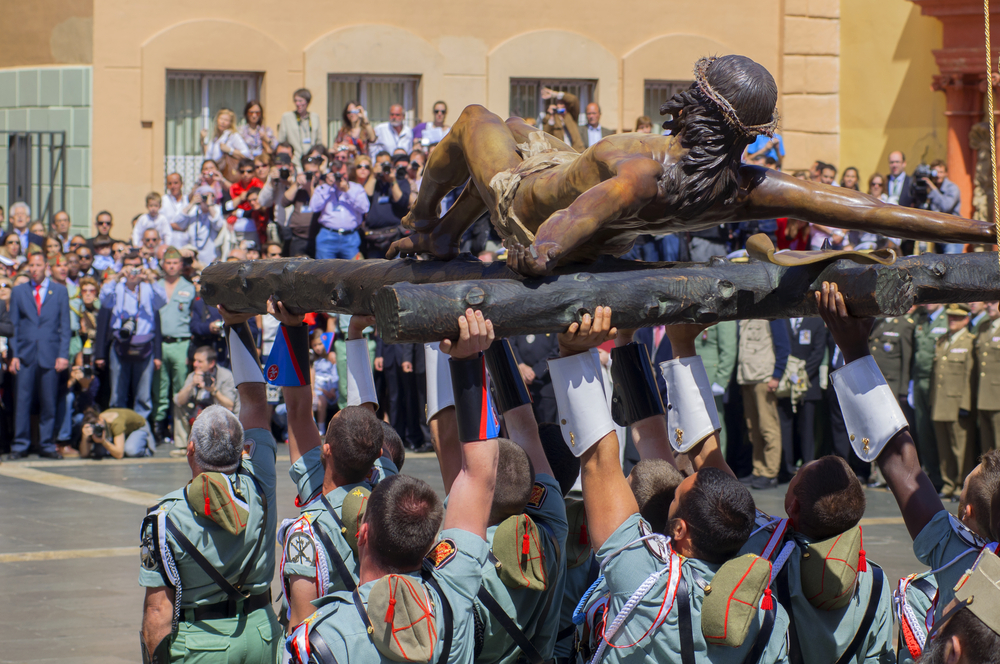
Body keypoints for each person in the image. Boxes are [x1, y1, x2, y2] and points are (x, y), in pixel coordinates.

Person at [388, 56, 995, 276]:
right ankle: (445, 233)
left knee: (475, 118)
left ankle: (423, 222)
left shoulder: (641, 172)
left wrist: (542, 251)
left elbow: (573, 218)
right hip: (581, 220)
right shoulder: (744, 187)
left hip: (525, 207)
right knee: (520, 128)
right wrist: (983, 230)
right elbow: (871, 209)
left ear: (695, 105)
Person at [548, 306, 789, 664]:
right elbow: (685, 448)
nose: (676, 472)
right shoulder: (769, 607)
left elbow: (600, 461)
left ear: (678, 529)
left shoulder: (645, 582)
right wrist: (673, 344)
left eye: (677, 492)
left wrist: (572, 352)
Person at [664, 322, 895, 664]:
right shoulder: (874, 580)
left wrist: (682, 345)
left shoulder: (761, 547)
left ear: (792, 506)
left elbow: (705, 455)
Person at [285, 308, 499, 664]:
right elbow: (481, 474)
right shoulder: (454, 595)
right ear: (430, 543)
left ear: (363, 532)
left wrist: (340, 333)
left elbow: (299, 412)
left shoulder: (325, 636)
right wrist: (469, 359)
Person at [814, 282, 1000, 654]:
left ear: (966, 514)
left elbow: (901, 464)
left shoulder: (960, 557)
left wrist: (854, 350)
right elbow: (903, 463)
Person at [139, 306, 279, 663]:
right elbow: (256, 399)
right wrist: (237, 323)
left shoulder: (166, 517)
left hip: (203, 642)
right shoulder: (260, 481)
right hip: (263, 633)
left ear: (191, 451)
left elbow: (157, 611)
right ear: (243, 449)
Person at [427, 335, 567, 664]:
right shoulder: (552, 530)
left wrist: (452, 347)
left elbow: (445, 437)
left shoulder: (464, 556)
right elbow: (525, 428)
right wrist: (493, 338)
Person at [280, 314, 395, 627]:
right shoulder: (387, 484)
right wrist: (355, 332)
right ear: (379, 453)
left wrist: (292, 327)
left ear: (326, 450)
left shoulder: (315, 491)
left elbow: (298, 410)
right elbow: (367, 413)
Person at [6, 252, 71, 459]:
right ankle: (20, 444)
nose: (34, 269)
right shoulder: (19, 291)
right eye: (31, 265)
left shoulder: (59, 291)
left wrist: (63, 354)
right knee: (22, 402)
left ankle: (46, 444)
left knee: (48, 402)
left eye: (38, 265)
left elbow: (65, 326)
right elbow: (14, 325)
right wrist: (14, 354)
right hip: (25, 354)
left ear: (46, 267)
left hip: (50, 354)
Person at [97, 251, 166, 420]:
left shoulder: (148, 288)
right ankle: (118, 428)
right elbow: (104, 300)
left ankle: (140, 429)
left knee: (143, 395)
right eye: (129, 266)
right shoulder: (117, 287)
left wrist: (150, 278)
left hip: (144, 346)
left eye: (136, 266)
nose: (133, 271)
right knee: (117, 393)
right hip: (120, 345)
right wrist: (117, 276)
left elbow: (162, 301)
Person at [736, 318, 789, 489]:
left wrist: (777, 375)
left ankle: (770, 472)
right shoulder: (744, 317)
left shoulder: (771, 315)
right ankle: (758, 469)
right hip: (746, 378)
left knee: (768, 427)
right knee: (753, 429)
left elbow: (783, 346)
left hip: (764, 378)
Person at [931, 303, 977, 501]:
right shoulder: (942, 340)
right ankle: (948, 483)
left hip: (957, 403)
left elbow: (969, 376)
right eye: (950, 316)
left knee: (961, 449)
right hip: (940, 402)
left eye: (957, 317)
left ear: (966, 320)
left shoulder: (970, 341)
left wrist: (965, 404)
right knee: (944, 448)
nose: (952, 320)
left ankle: (961, 485)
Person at [155, 247, 195, 447]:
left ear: (181, 265)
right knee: (159, 388)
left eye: (175, 263)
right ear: (162, 264)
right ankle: (159, 427)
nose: (171, 266)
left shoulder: (189, 287)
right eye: (168, 263)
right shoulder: (155, 286)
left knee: (180, 389)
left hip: (181, 342)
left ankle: (180, 430)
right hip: (160, 343)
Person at [172, 344, 238, 451]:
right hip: (199, 412)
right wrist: (191, 385)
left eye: (200, 361)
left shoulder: (225, 376)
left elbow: (229, 406)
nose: (195, 364)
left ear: (211, 363)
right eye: (194, 360)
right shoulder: (193, 375)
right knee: (180, 406)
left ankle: (225, 446)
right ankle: (183, 446)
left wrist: (213, 390)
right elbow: (179, 401)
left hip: (219, 414)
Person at [310, 152, 369, 260]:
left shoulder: (356, 188)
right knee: (324, 269)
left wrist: (347, 191)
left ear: (347, 173)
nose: (340, 178)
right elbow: (314, 207)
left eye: (343, 174)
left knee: (354, 269)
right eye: (337, 174)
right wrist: (328, 186)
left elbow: (364, 208)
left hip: (350, 238)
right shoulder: (323, 188)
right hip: (327, 236)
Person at [695, 320, 738, 455]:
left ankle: (718, 461)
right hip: (693, 375)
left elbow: (729, 350)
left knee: (714, 425)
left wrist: (721, 380)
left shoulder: (722, 317)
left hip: (711, 378)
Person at [361, 152, 409, 258]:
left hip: (395, 235)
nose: (384, 167)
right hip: (374, 237)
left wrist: (392, 181)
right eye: (380, 164)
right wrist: (373, 176)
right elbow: (364, 198)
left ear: (391, 164)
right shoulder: (372, 180)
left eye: (386, 164)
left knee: (397, 267)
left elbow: (401, 201)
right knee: (374, 268)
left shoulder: (400, 180)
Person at [80, 406, 154, 459]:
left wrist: (104, 442)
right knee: (100, 451)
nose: (97, 429)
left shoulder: (116, 422)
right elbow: (84, 454)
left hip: (139, 427)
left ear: (100, 419)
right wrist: (84, 436)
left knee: (130, 450)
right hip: (122, 431)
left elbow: (119, 454)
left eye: (97, 426)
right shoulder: (100, 420)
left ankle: (146, 448)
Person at [975, 301, 1000, 454]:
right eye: (986, 302)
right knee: (987, 450)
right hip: (983, 396)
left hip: (998, 397)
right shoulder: (983, 327)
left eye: (993, 302)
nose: (988, 305)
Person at [924, 159, 964, 253]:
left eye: (941, 172)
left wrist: (933, 189)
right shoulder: (930, 188)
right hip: (937, 234)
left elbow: (946, 206)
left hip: (952, 234)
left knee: (951, 261)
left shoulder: (952, 188)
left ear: (946, 173)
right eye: (936, 172)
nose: (938, 175)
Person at [201, 108, 251, 176]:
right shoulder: (215, 137)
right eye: (221, 119)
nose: (223, 122)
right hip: (213, 174)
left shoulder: (232, 135)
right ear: (217, 120)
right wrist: (202, 140)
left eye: (226, 120)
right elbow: (208, 156)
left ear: (230, 123)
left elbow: (246, 153)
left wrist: (229, 150)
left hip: (225, 174)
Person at [278, 88, 323, 163]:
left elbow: (319, 142)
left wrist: (315, 153)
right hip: (294, 160)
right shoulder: (287, 117)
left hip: (310, 161)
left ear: (307, 102)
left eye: (300, 101)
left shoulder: (315, 117)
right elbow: (281, 141)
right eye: (295, 101)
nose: (297, 103)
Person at [183, 186, 225, 266]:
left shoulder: (216, 209)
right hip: (195, 254)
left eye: (211, 196)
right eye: (205, 196)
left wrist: (210, 206)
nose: (207, 199)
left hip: (211, 255)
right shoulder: (193, 210)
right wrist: (191, 203)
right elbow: (179, 222)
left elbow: (218, 225)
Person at [539, 88, 583, 152]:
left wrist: (555, 94)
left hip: (576, 151)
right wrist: (551, 116)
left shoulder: (570, 116)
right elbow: (546, 134)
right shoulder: (552, 117)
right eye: (560, 104)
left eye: (564, 104)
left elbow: (574, 99)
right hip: (560, 153)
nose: (562, 106)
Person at [161, 173, 189, 247]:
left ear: (181, 184)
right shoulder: (163, 200)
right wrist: (180, 227)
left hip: (186, 242)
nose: (173, 186)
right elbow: (161, 221)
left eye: (176, 183)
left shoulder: (187, 200)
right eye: (170, 184)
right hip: (169, 242)